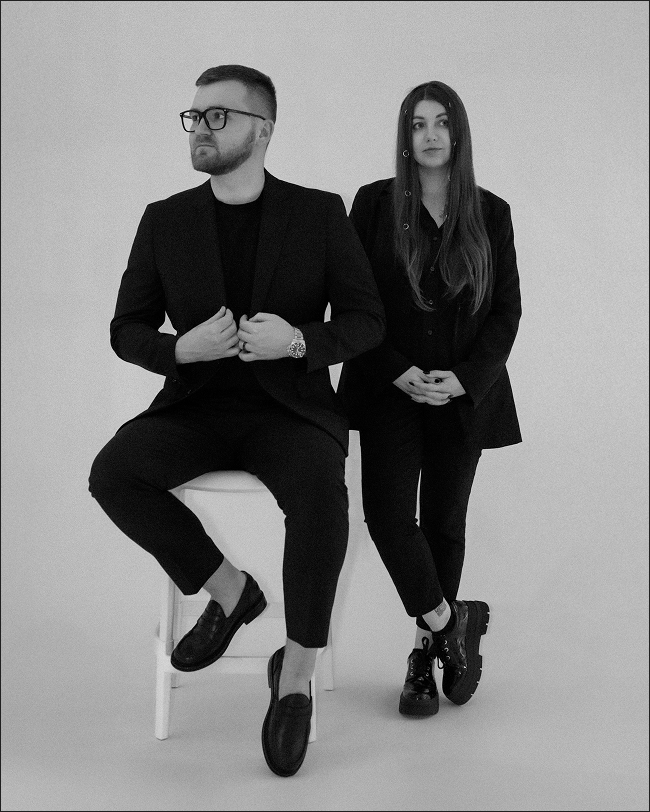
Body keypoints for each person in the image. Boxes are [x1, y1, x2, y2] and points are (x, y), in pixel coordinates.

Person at [89, 64, 385, 776]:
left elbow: (368, 321)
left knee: (321, 494)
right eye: (195, 116)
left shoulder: (319, 213)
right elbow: (126, 328)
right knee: (113, 473)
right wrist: (177, 350)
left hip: (290, 411)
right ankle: (230, 591)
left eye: (218, 115)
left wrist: (300, 343)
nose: (201, 128)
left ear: (263, 129)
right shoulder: (165, 219)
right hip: (196, 406)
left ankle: (294, 677)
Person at [338, 81, 521, 717]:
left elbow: (506, 313)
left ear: (459, 132)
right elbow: (354, 306)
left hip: (463, 395)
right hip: (389, 389)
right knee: (388, 516)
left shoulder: (490, 213)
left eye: (441, 123)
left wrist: (466, 377)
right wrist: (395, 370)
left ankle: (422, 656)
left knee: (444, 522)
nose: (431, 135)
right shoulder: (372, 205)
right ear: (405, 136)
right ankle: (451, 624)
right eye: (418, 124)